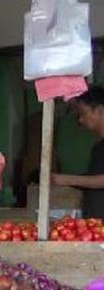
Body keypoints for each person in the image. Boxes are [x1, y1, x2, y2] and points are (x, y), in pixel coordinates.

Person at [52, 87, 104, 219]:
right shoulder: (98, 147)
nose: (80, 120)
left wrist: (65, 179)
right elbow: (94, 178)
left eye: (83, 113)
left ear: (99, 110)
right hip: (95, 224)